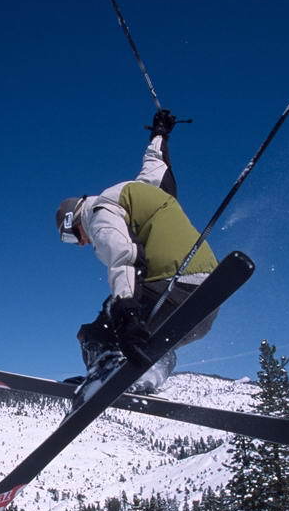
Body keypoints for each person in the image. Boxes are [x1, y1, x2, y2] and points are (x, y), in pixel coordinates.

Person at [55, 109, 219, 393]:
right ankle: (148, 374)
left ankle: (104, 371)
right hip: (210, 296)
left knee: (97, 331)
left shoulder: (99, 211)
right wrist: (160, 135)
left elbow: (123, 257)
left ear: (73, 219)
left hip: (173, 288)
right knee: (153, 342)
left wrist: (125, 312)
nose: (82, 244)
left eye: (72, 238)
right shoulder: (139, 190)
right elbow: (155, 164)